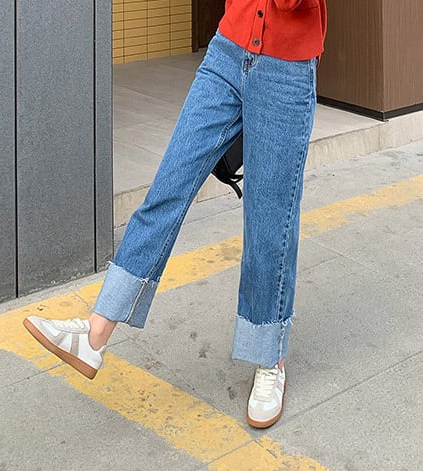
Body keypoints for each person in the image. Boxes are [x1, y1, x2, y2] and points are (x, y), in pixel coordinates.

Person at [23, 0, 327, 429]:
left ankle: (269, 358)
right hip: (227, 52)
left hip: (286, 71)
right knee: (167, 189)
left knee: (269, 225)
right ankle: (95, 333)